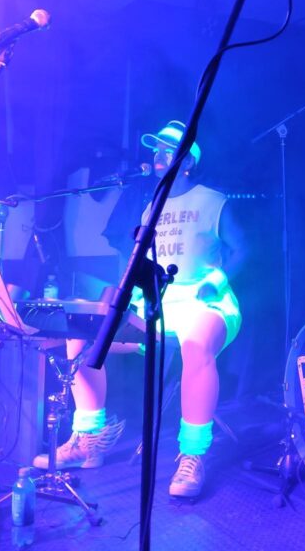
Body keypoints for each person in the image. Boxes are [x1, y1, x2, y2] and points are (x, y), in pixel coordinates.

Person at [33, 120, 245, 499]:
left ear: (188, 161)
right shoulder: (151, 207)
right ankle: (89, 438)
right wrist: (120, 296)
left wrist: (218, 279)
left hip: (207, 303)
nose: (157, 153)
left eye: (167, 148)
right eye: (155, 147)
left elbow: (244, 249)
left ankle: (193, 454)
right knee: (83, 333)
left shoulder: (213, 201)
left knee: (195, 343)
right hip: (157, 309)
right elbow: (139, 263)